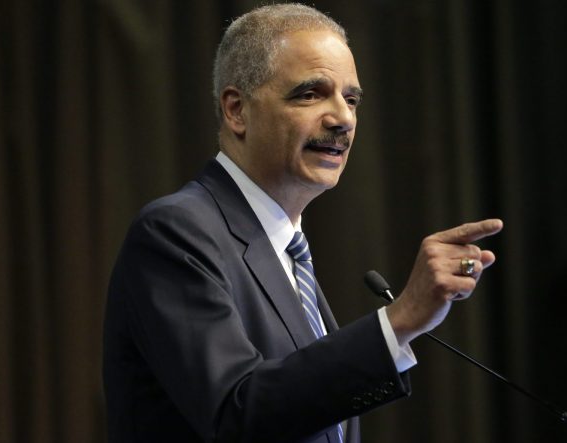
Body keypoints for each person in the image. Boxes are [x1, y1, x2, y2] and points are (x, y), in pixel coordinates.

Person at [102, 3, 503, 443]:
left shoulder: (289, 253)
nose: (343, 119)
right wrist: (400, 320)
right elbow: (236, 412)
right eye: (311, 94)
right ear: (236, 110)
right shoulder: (176, 233)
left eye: (351, 99)